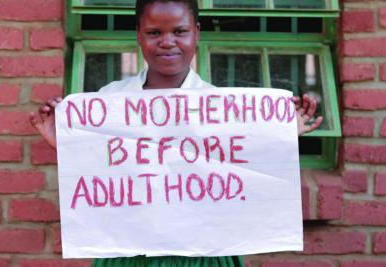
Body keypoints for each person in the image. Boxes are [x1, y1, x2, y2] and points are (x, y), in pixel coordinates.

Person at [29, 0, 323, 266]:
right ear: (138, 34)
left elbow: (245, 173)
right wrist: (65, 143)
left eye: (179, 31)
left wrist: (279, 136)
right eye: (154, 32)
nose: (167, 42)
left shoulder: (224, 109)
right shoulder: (110, 101)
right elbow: (101, 170)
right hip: (129, 253)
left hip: (205, 255)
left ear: (197, 32)